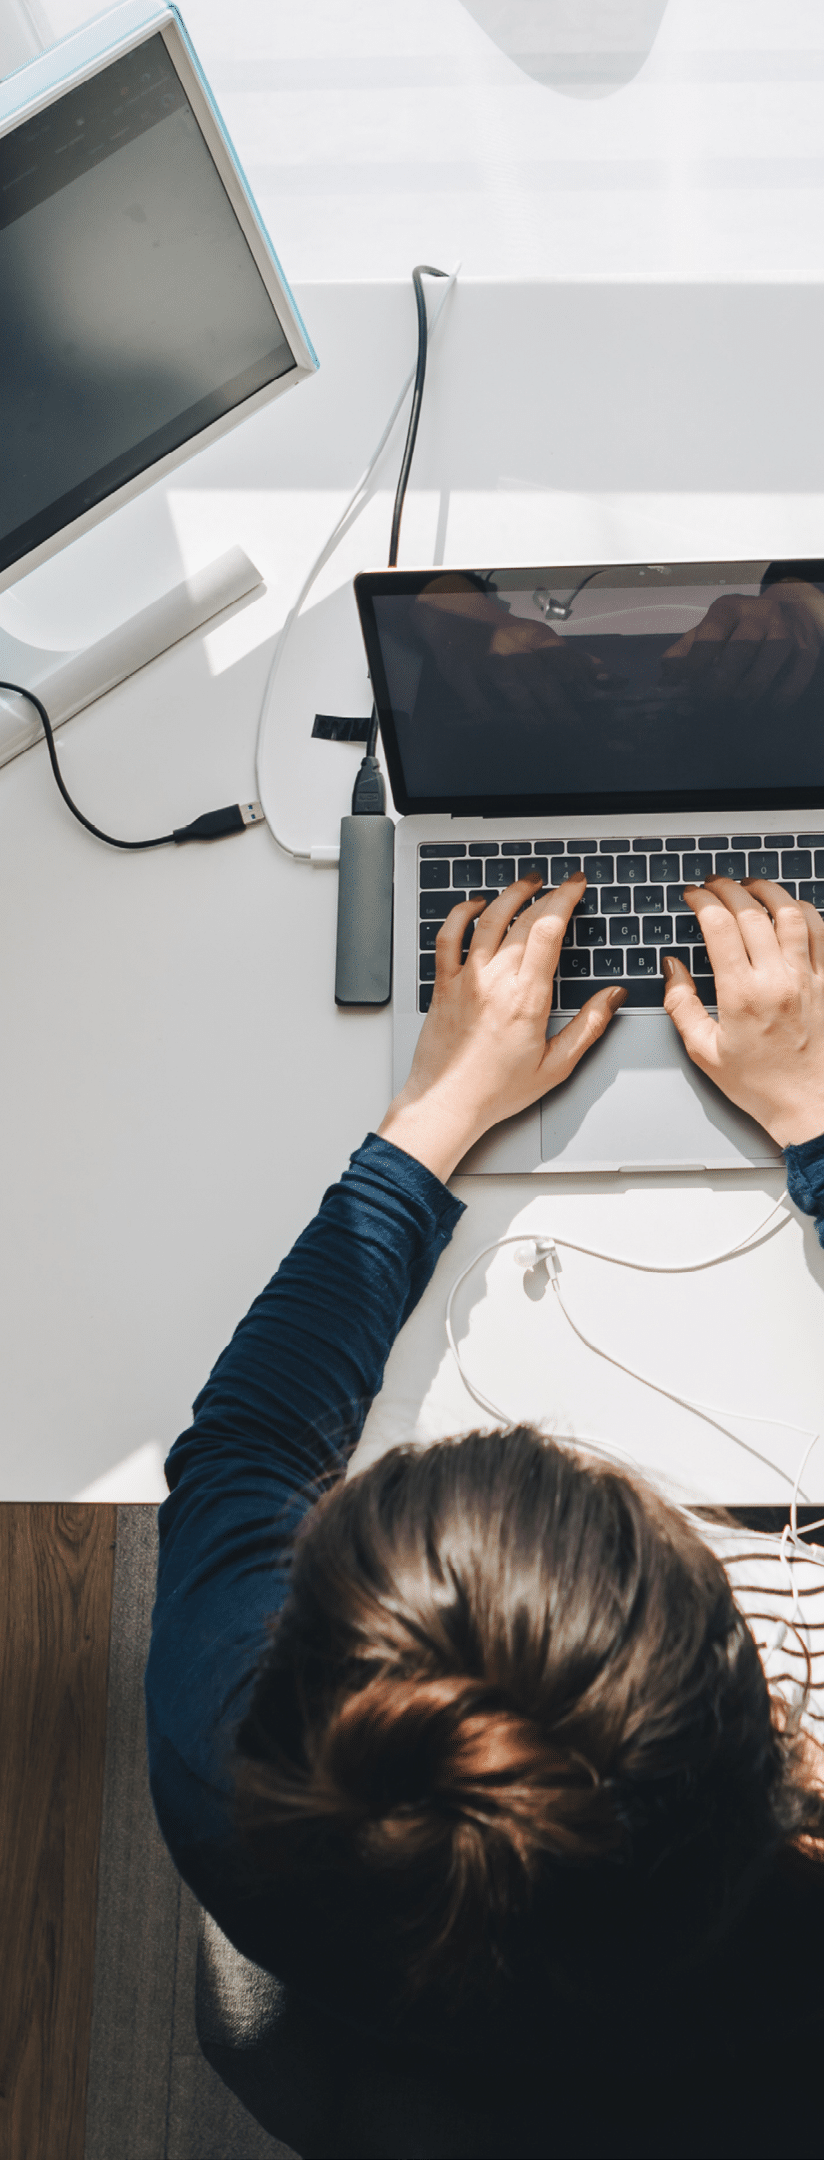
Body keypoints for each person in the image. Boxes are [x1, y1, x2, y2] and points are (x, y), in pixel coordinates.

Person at [146, 868, 824, 2154]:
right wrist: (814, 1110)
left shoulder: (213, 1758)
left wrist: (438, 1108)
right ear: (766, 1720)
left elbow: (248, 1441)